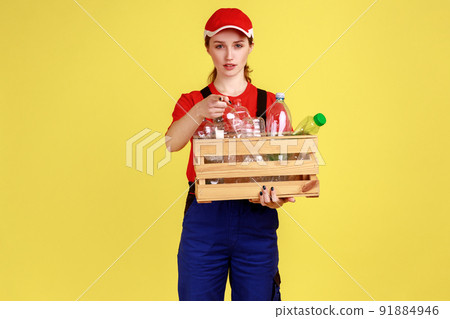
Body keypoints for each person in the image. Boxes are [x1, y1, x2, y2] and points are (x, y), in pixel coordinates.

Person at [165, 8, 295, 301]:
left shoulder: (270, 103)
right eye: (219, 46)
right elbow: (170, 144)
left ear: (250, 46)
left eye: (237, 45)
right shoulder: (193, 100)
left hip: (256, 218)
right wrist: (199, 112)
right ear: (208, 48)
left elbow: (281, 165)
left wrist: (279, 198)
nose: (229, 56)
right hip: (204, 217)